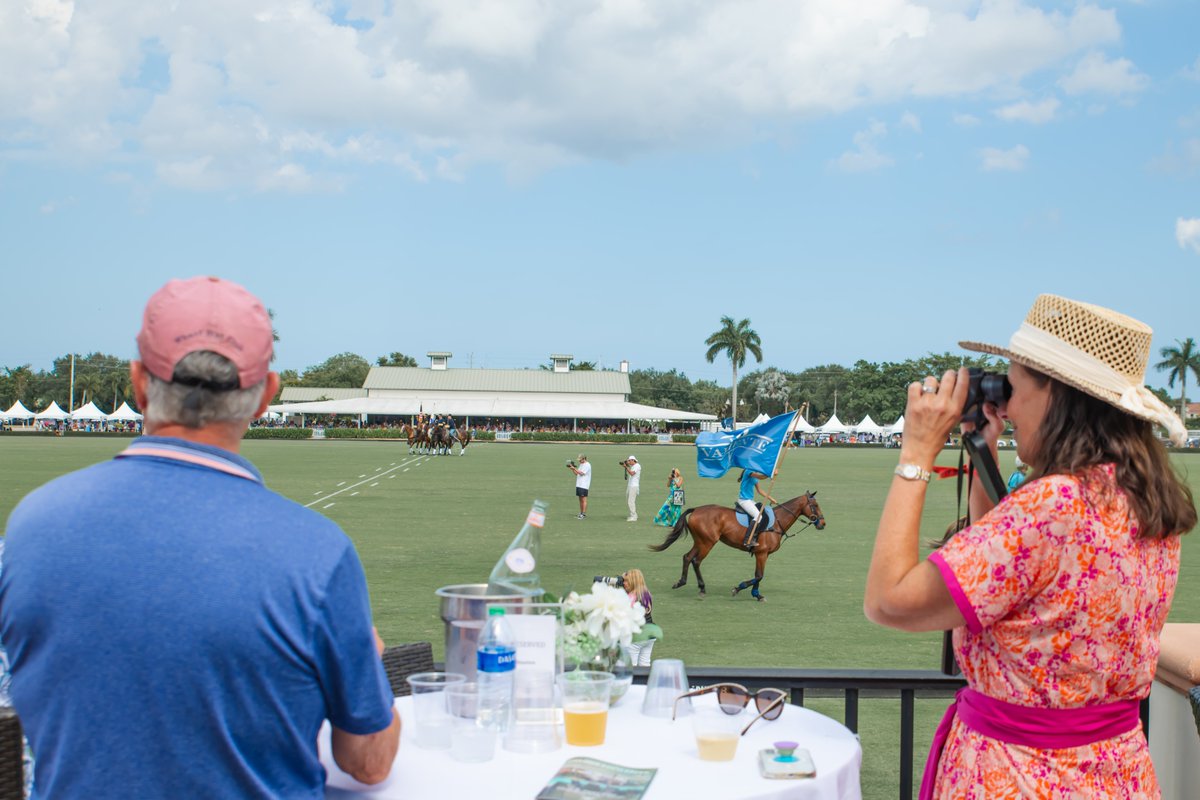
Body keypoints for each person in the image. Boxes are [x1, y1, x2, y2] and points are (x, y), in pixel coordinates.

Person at [0, 277, 401, 799]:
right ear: (265, 399)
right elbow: (368, 761)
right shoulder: (317, 552)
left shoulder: (31, 525)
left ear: (139, 382)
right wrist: (365, 659)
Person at [864, 294, 1195, 800]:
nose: (1006, 404)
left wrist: (916, 452)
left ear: (1057, 395)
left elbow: (888, 601)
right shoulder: (1142, 499)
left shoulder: (1054, 504)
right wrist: (984, 451)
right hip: (1115, 771)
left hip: (1017, 775)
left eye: (1013, 388)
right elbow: (1004, 582)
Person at [620, 568, 656, 666]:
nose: (623, 583)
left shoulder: (631, 597)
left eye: (626, 581)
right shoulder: (646, 594)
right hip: (650, 634)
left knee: (631, 667)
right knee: (645, 664)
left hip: (638, 637)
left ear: (633, 582)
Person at [737, 468, 777, 551]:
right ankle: (748, 540)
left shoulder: (754, 474)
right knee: (758, 516)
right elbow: (761, 477)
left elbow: (760, 490)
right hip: (744, 500)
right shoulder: (748, 471)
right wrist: (771, 473)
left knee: (764, 510)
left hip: (750, 500)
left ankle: (762, 529)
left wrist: (771, 498)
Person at [568, 453, 591, 519]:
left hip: (584, 485)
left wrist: (574, 468)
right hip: (579, 484)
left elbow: (581, 473)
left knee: (584, 499)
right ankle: (581, 513)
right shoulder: (581, 464)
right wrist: (573, 469)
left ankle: (583, 514)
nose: (579, 461)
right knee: (580, 499)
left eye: (580, 460)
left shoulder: (587, 465)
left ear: (584, 459)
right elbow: (577, 474)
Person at [622, 455, 642, 522]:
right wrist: (626, 467)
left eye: (629, 461)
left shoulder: (637, 466)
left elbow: (632, 473)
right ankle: (633, 514)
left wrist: (626, 467)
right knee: (630, 501)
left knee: (631, 502)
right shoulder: (633, 466)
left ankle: (634, 516)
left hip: (634, 486)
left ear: (633, 460)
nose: (629, 462)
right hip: (631, 485)